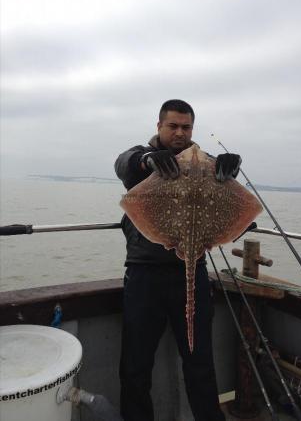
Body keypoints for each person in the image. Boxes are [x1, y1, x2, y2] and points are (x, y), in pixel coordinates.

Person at [114, 100, 241, 421]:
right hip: (145, 275)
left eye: (186, 127)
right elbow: (124, 164)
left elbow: (236, 200)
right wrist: (147, 161)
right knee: (135, 365)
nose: (180, 133)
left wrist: (230, 165)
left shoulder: (204, 164)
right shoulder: (143, 158)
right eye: (173, 126)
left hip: (194, 270)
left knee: (200, 363)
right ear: (159, 127)